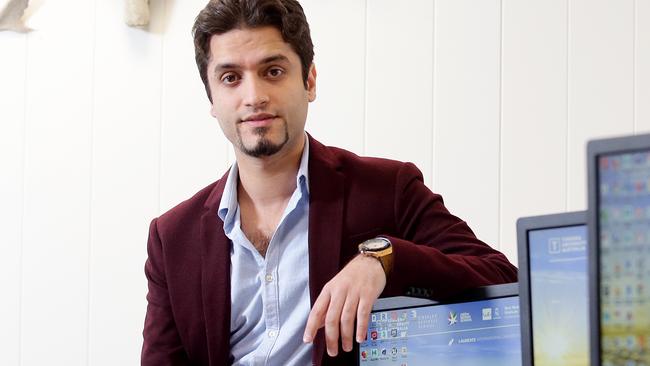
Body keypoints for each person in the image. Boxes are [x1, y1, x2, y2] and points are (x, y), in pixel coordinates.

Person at [141, 0, 518, 365]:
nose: (254, 96)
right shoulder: (172, 238)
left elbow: (502, 279)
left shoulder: (390, 189)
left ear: (309, 81)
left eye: (273, 71)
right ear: (211, 96)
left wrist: (383, 259)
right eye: (231, 78)